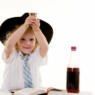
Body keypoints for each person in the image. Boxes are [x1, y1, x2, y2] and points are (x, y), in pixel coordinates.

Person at [0, 13, 53, 90]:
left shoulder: (36, 55)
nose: (27, 43)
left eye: (31, 40)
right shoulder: (12, 55)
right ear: (16, 41)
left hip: (33, 92)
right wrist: (25, 26)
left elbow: (45, 47)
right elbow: (9, 45)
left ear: (36, 41)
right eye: (22, 39)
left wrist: (36, 29)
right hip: (11, 92)